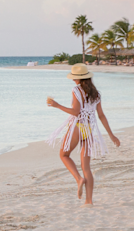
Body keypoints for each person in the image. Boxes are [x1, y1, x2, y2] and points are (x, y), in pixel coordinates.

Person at [46, 64, 120, 206]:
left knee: (64, 155)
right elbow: (101, 115)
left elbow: (75, 112)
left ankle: (79, 179)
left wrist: (57, 105)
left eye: (74, 78)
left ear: (78, 79)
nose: (73, 80)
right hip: (89, 129)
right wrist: (112, 135)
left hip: (77, 127)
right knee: (86, 167)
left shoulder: (76, 90)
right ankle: (89, 201)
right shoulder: (96, 93)